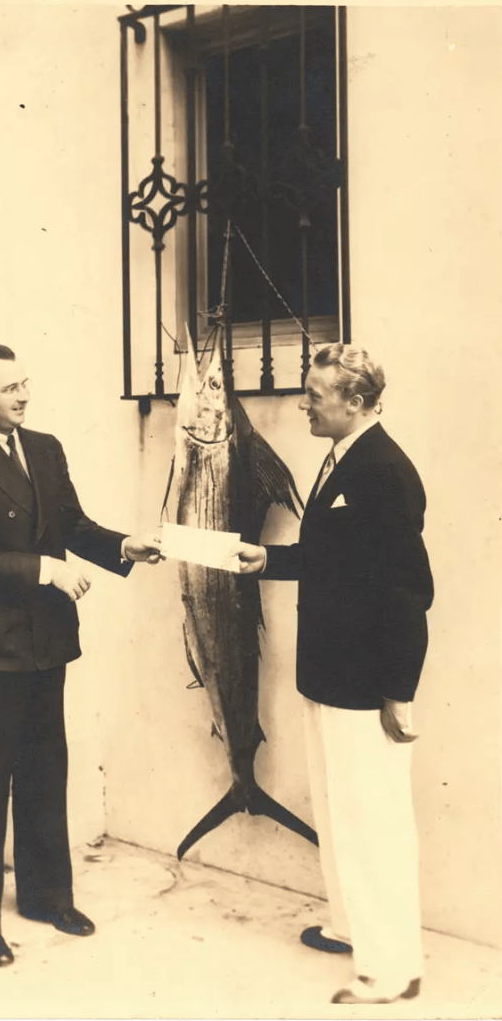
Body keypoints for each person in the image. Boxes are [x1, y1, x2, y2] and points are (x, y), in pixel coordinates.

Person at [0, 343, 162, 968]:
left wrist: (124, 546)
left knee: (43, 771)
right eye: (8, 388)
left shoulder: (46, 448)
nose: (23, 395)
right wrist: (46, 571)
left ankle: (46, 897)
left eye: (24, 383)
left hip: (45, 642)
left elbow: (71, 524)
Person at [236, 343, 433, 1005]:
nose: (303, 404)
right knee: (340, 811)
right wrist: (266, 560)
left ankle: (391, 970)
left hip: (364, 684)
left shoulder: (384, 470)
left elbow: (407, 591)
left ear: (354, 402)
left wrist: (398, 692)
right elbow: (334, 557)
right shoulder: (343, 456)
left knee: (371, 820)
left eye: (314, 395)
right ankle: (352, 927)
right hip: (328, 674)